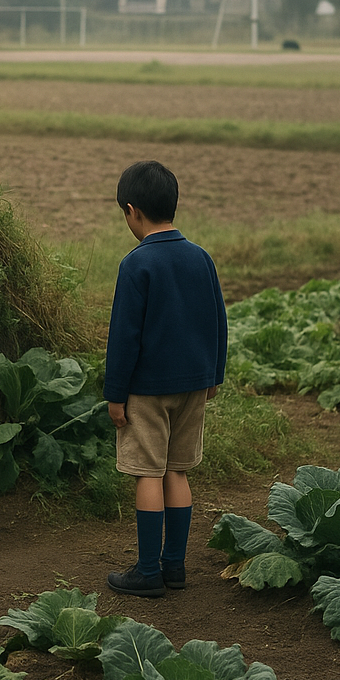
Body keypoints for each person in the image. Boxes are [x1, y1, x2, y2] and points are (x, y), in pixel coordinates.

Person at [103, 160, 227, 598]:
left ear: (132, 211)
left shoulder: (136, 265)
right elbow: (218, 319)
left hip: (147, 392)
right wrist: (215, 374)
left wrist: (115, 395)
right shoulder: (201, 258)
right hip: (195, 385)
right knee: (178, 471)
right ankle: (175, 567)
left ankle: (147, 572)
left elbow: (124, 338)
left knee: (147, 475)